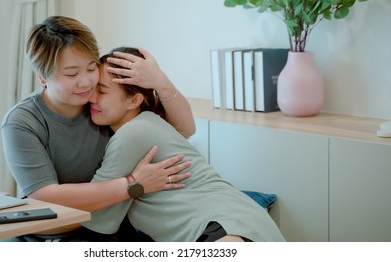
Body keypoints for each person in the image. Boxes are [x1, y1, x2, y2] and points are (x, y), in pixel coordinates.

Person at [1, 16, 195, 241]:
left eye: (91, 68)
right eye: (72, 74)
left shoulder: (102, 103)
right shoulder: (22, 122)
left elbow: (185, 129)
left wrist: (160, 81)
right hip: (58, 232)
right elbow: (46, 196)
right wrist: (133, 184)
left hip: (116, 224)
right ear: (42, 77)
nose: (86, 83)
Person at [83, 47, 286, 242]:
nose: (91, 97)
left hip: (221, 227)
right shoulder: (151, 123)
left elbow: (96, 218)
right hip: (240, 221)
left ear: (134, 100)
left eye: (101, 91)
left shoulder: (133, 133)